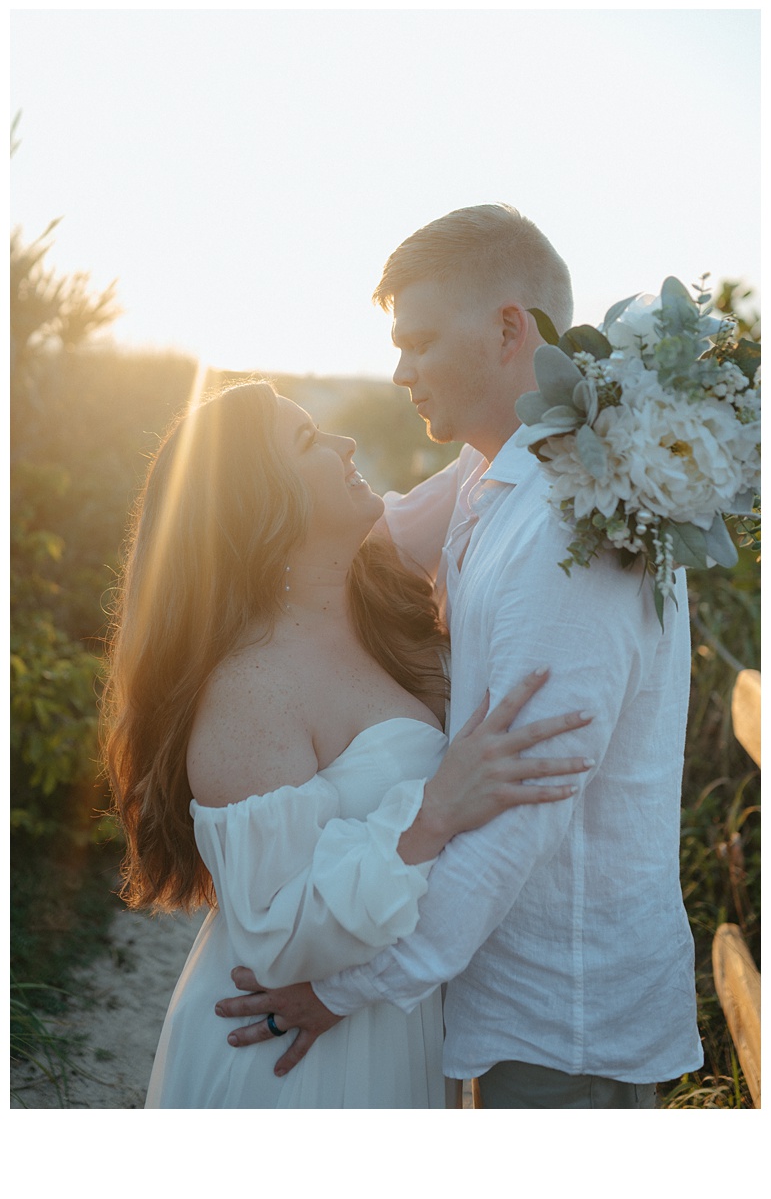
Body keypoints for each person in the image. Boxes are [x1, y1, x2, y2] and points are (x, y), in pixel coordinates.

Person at [216, 205, 704, 1109]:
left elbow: (521, 812)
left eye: (421, 341)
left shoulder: (572, 528)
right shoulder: (497, 478)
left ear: (509, 328)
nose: (400, 373)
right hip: (507, 1003)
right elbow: (378, 529)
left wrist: (335, 994)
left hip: (564, 1024)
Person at [102, 378, 593, 1108]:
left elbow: (485, 459)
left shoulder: (380, 588)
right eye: (308, 441)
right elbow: (281, 934)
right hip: (295, 1064)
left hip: (390, 1025)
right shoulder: (250, 688)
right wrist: (432, 813)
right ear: (262, 505)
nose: (346, 442)